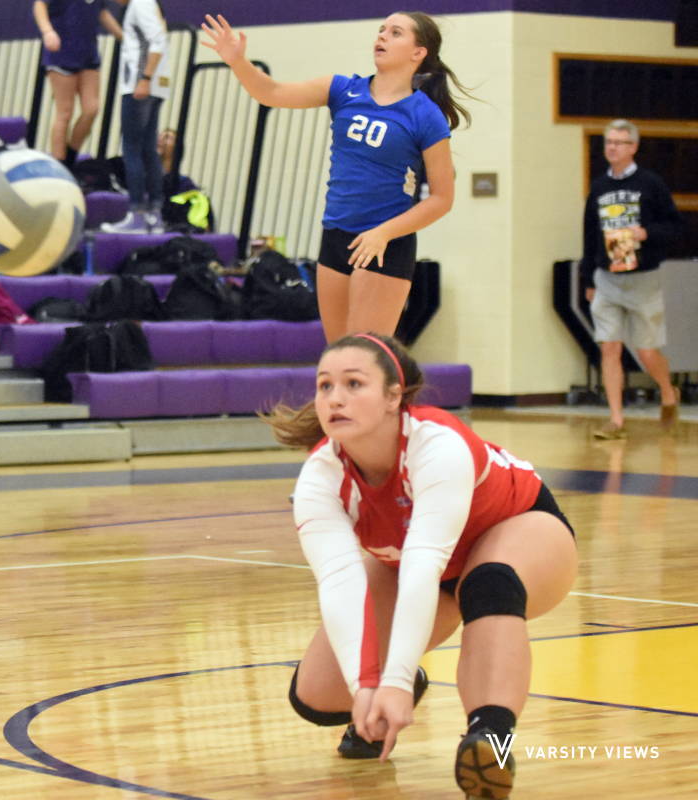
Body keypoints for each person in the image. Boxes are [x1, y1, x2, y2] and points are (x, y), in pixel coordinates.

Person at [267, 332, 577, 798]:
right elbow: (339, 583)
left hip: (521, 532)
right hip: (420, 569)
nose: (335, 398)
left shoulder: (437, 445)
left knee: (488, 583)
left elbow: (423, 564)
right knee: (317, 696)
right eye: (325, 385)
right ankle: (406, 687)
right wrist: (368, 686)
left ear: (394, 397)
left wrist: (390, 677)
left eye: (354, 384)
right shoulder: (319, 477)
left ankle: (489, 738)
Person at [202, 12, 469, 344]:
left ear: (419, 53)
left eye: (395, 32)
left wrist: (383, 233)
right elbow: (271, 92)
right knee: (338, 355)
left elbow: (442, 199)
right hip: (336, 235)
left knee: (364, 358)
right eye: (381, 29)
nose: (382, 36)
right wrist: (238, 62)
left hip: (384, 243)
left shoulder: (425, 115)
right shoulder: (343, 89)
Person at [581, 119, 683, 440]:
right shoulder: (598, 187)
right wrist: (589, 277)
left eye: (620, 142)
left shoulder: (651, 184)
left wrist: (646, 232)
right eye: (608, 141)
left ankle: (668, 391)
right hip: (607, 277)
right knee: (609, 347)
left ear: (633, 147)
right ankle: (616, 419)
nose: (612, 147)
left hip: (642, 278)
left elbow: (677, 228)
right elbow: (589, 234)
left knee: (647, 350)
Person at [99, 0, 168, 234]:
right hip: (154, 86)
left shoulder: (140, 4)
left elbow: (157, 40)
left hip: (139, 86)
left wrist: (145, 79)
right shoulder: (146, 4)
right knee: (148, 150)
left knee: (132, 149)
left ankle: (137, 214)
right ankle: (154, 216)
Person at [32, 0, 122, 167]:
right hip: (62, 52)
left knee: (92, 108)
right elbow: (40, 4)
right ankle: (59, 163)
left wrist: (121, 36)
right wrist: (47, 31)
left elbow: (101, 12)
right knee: (64, 112)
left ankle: (71, 155)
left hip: (87, 54)